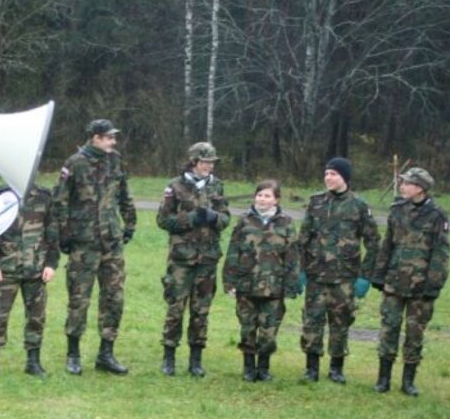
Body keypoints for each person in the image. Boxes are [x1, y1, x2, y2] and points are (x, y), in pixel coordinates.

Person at [52, 118, 138, 375]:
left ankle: (106, 353)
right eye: (109, 137)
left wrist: (130, 223)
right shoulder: (75, 163)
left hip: (111, 241)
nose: (113, 141)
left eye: (114, 137)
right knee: (79, 299)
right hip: (84, 242)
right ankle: (73, 353)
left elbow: (124, 194)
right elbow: (60, 201)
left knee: (114, 298)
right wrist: (64, 235)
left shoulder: (115, 160)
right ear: (95, 137)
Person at [297, 157, 380, 383]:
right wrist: (301, 269)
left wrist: (364, 276)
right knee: (312, 321)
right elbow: (303, 238)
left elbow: (373, 243)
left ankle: (336, 368)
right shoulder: (316, 203)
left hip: (345, 276)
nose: (328, 178)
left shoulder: (359, 206)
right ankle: (311, 367)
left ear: (345, 177)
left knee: (340, 322)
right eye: (326, 174)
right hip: (316, 274)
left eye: (333, 174)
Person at [369, 167, 450, 396]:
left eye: (407, 183)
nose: (402, 186)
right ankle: (383, 378)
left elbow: (441, 253)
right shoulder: (397, 210)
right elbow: (388, 244)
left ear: (420, 188)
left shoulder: (437, 215)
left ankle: (408, 381)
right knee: (389, 327)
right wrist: (379, 273)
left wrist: (433, 285)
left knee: (415, 332)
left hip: (421, 285)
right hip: (394, 281)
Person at [155, 142, 230, 377]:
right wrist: (190, 219)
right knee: (176, 308)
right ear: (194, 162)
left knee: (201, 310)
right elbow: (163, 220)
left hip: (207, 258)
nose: (209, 166)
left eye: (211, 163)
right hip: (181, 259)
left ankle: (196, 359)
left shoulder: (217, 186)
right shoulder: (175, 187)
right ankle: (169, 357)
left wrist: (213, 217)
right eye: (205, 162)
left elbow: (226, 218)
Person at [223, 179, 301, 381]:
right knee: (247, 327)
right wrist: (229, 282)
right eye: (259, 195)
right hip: (246, 285)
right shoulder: (244, 221)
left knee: (269, 331)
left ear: (276, 200)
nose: (262, 199)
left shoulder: (285, 223)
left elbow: (292, 255)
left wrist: (292, 283)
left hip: (274, 286)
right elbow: (233, 252)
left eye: (267, 196)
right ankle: (249, 368)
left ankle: (264, 368)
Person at [0, 186, 59, 378]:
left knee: (36, 317)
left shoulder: (44, 197)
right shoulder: (2, 198)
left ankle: (33, 362)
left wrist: (51, 264)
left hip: (36, 269)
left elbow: (52, 233)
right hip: (7, 269)